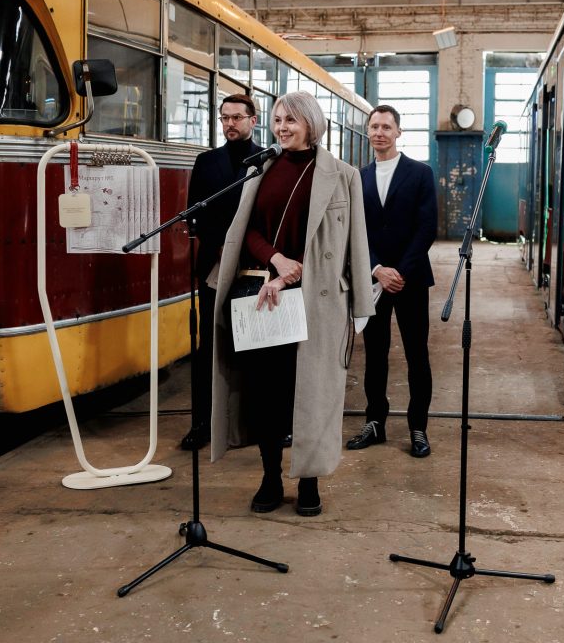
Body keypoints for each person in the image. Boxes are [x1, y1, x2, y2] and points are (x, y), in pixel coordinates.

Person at [211, 91, 375, 516]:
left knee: (312, 395)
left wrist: (360, 305)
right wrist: (276, 259)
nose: (282, 127)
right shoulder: (261, 170)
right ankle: (269, 476)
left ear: (310, 124)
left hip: (316, 300)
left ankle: (309, 482)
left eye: (291, 120)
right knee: (266, 394)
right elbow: (246, 230)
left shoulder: (343, 175)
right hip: (266, 296)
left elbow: (355, 241)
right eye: (278, 119)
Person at [346, 104, 438, 458]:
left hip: (409, 279)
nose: (379, 132)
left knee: (417, 355)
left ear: (399, 132)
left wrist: (399, 271)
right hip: (373, 280)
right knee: (375, 354)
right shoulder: (358, 177)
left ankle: (418, 427)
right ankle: (375, 422)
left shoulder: (420, 173)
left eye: (386, 127)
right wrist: (376, 269)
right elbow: (355, 230)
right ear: (367, 132)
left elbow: (427, 227)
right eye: (374, 127)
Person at [179, 94, 261, 452]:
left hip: (253, 267)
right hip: (214, 265)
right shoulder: (206, 161)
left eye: (237, 118)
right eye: (225, 117)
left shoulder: (266, 159)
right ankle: (202, 423)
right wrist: (217, 245)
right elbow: (194, 212)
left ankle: (254, 424)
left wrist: (246, 249)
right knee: (208, 348)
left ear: (252, 120)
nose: (230, 124)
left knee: (253, 347)